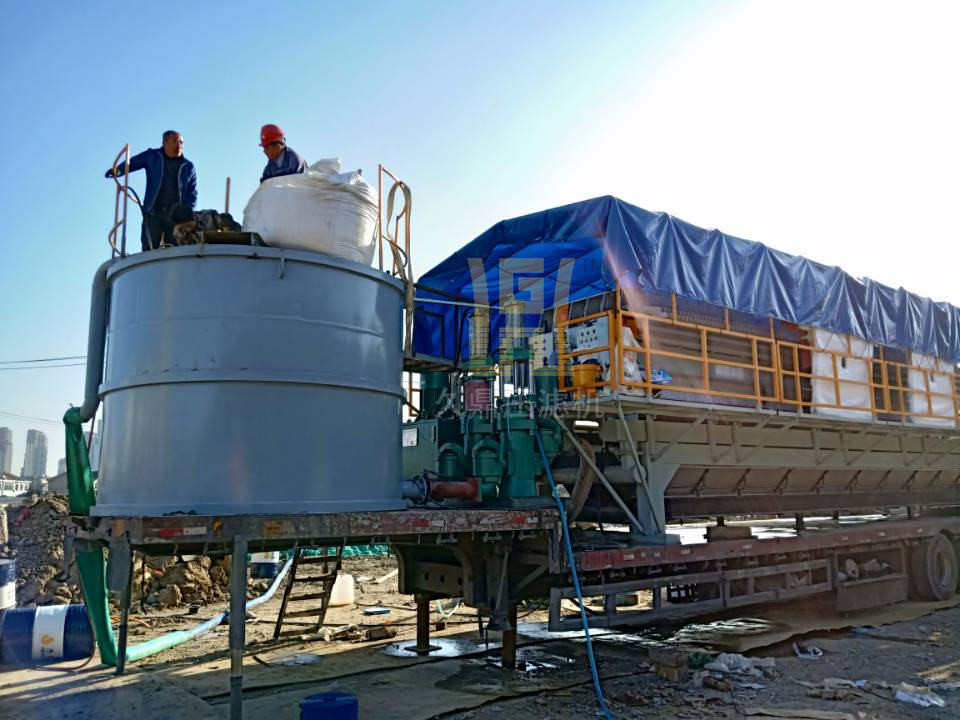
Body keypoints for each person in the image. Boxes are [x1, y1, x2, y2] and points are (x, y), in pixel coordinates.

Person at [105, 130, 198, 251]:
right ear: (165, 143)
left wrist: (188, 212)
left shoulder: (188, 166)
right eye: (175, 142)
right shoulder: (153, 156)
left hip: (175, 216)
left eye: (181, 142)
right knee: (149, 249)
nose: (179, 145)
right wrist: (118, 170)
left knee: (175, 251)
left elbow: (192, 192)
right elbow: (133, 162)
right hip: (154, 212)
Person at [170, 204, 241, 245]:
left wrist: (227, 224)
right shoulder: (178, 233)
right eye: (183, 228)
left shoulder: (210, 217)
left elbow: (236, 230)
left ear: (194, 217)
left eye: (188, 226)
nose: (187, 230)